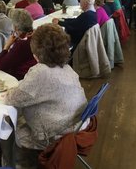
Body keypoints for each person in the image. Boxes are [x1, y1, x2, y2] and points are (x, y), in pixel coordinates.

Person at [5, 24, 87, 168]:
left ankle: (17, 164)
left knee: (10, 125)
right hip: (75, 126)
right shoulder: (67, 68)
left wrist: (10, 90)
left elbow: (12, 99)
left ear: (36, 52)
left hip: (52, 136)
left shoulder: (40, 72)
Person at [0, 9, 37, 80]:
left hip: (19, 78)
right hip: (33, 75)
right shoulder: (36, 35)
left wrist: (6, 46)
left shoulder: (21, 44)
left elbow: (0, 65)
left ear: (15, 27)